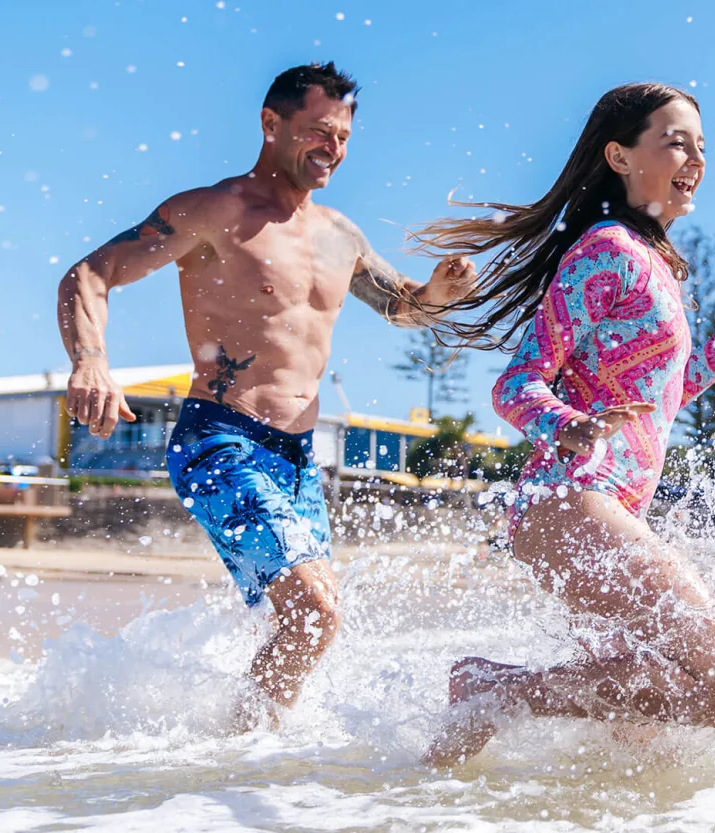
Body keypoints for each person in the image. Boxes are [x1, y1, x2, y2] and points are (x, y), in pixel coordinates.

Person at [56, 62, 475, 731]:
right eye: (316, 131)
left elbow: (402, 308)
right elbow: (90, 274)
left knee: (306, 622)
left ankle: (241, 757)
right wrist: (92, 361)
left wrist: (435, 297)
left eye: (341, 136)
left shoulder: (342, 235)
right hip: (220, 438)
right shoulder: (214, 211)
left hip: (300, 461)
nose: (331, 148)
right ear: (270, 124)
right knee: (317, 613)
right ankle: (237, 752)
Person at [418, 83, 715, 765]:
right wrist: (570, 424)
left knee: (649, 728)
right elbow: (517, 383)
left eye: (702, 145)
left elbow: (664, 396)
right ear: (618, 154)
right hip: (569, 500)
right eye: (676, 141)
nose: (695, 157)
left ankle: (493, 725)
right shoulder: (605, 249)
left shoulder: (655, 266)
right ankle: (493, 689)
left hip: (607, 508)